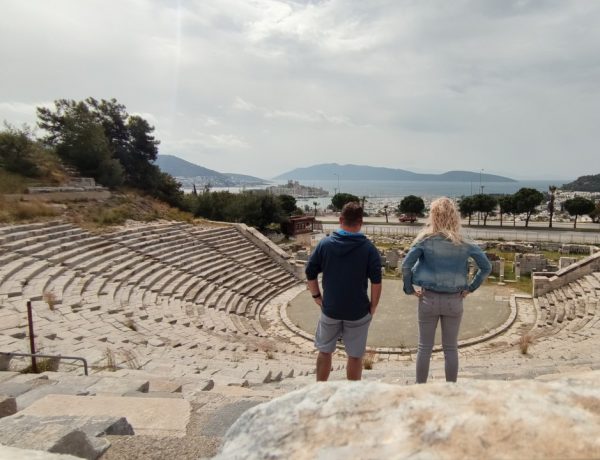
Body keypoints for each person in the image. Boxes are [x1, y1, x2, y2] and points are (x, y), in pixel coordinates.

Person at [402, 197, 491, 383]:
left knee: (424, 348)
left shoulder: (425, 239)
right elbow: (486, 267)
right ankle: (451, 390)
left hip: (428, 299)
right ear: (454, 216)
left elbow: (406, 266)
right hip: (454, 300)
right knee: (450, 348)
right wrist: (471, 287)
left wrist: (409, 288)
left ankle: (420, 390)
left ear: (433, 216)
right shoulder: (464, 241)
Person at [305, 201, 382, 381]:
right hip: (358, 311)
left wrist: (316, 296)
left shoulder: (325, 244)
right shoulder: (369, 249)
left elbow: (310, 272)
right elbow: (376, 282)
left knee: (325, 351)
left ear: (340, 220)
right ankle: (351, 397)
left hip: (330, 308)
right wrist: (373, 306)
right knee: (355, 356)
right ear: (360, 222)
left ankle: (320, 390)